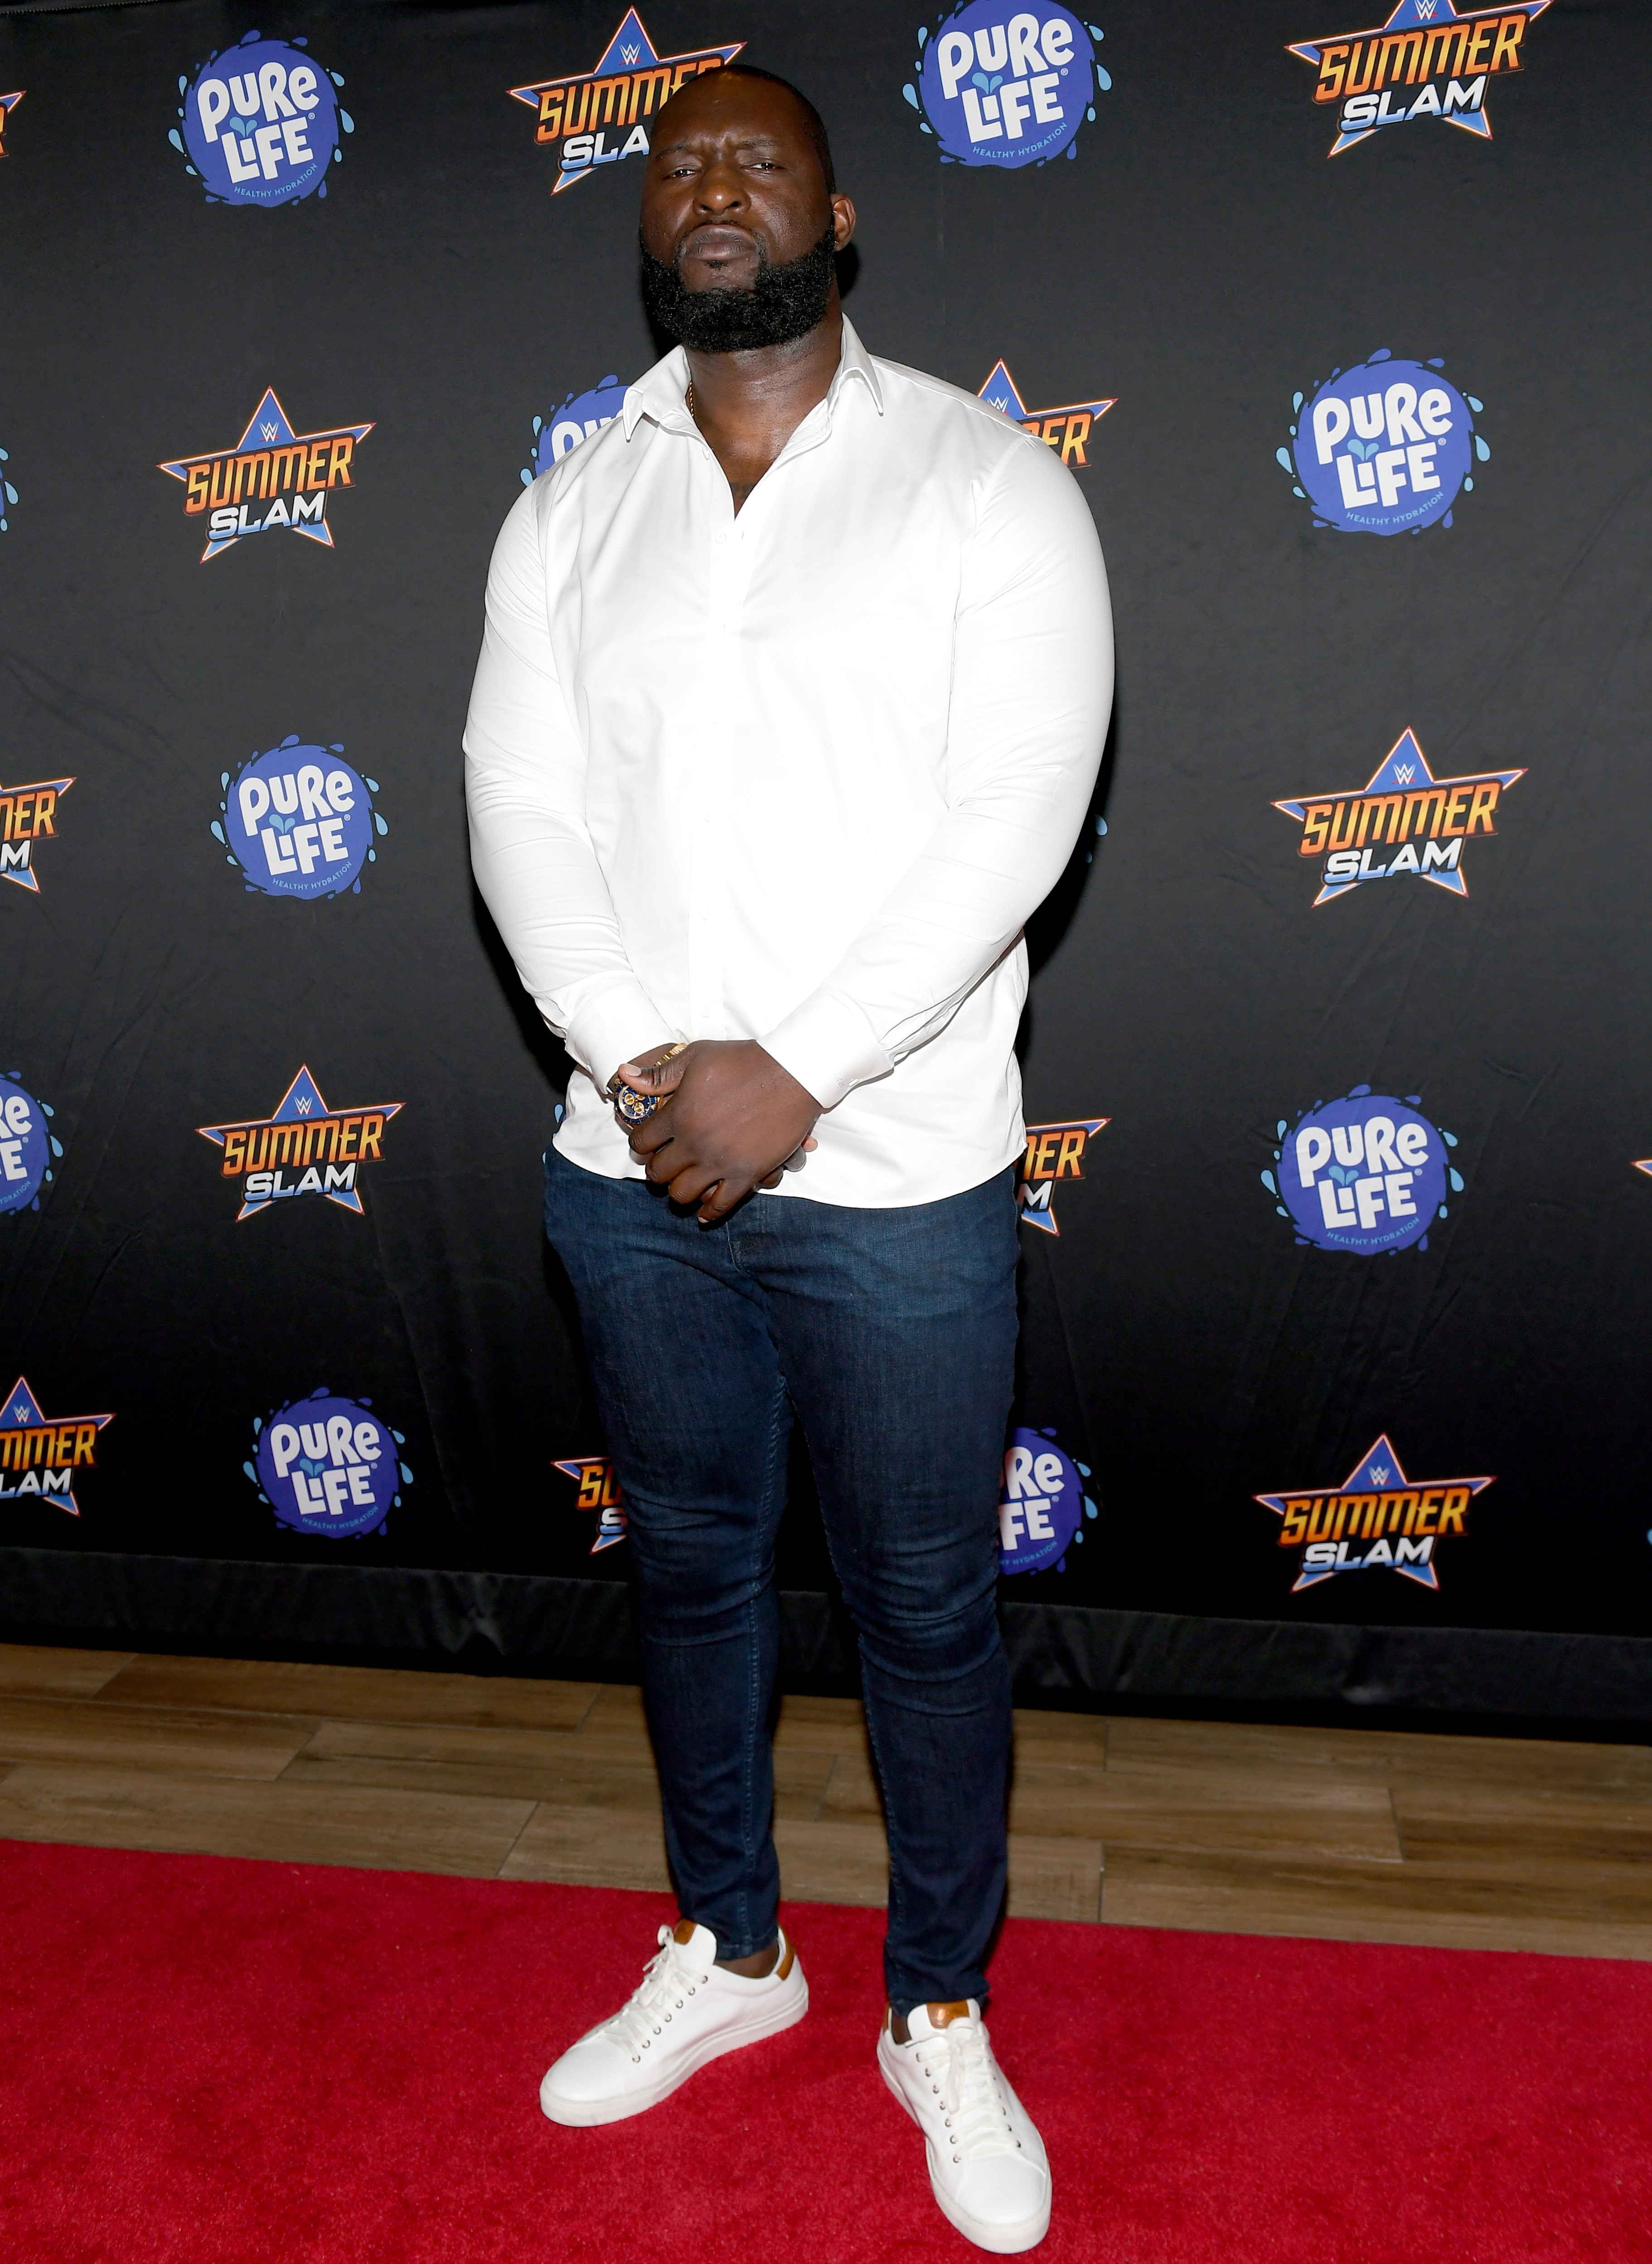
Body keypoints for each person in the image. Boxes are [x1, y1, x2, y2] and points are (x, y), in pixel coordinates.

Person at [464, 61, 1111, 2256]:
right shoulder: (571, 509)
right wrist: (650, 1064)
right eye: (678, 170)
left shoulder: (986, 487)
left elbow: (1011, 819)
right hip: (630, 1168)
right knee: (696, 1573)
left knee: (928, 1609)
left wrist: (802, 1072)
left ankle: (940, 2004)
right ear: (648, 232)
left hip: (901, 1180)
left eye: (756, 162)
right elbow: (520, 809)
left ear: (843, 216)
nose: (713, 191)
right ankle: (733, 1953)